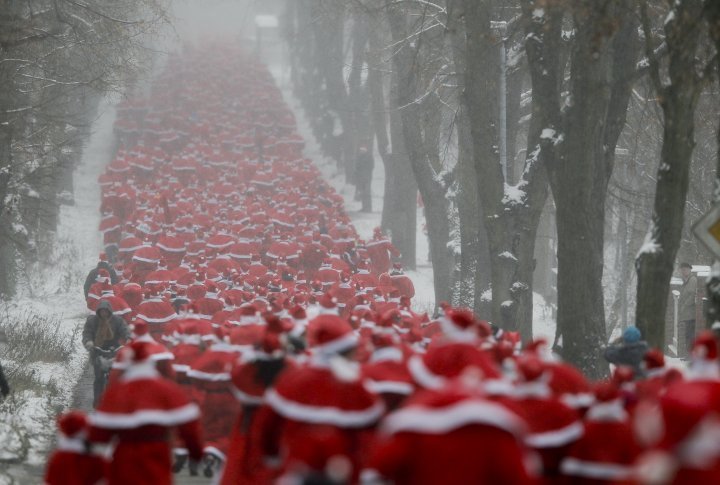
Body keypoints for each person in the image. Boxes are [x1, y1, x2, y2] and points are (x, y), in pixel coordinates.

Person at [82, 300, 129, 406]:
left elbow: (125, 330)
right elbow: (87, 333)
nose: (104, 314)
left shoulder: (117, 321)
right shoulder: (92, 321)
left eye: (106, 311)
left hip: (114, 351)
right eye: (102, 311)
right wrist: (89, 342)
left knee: (118, 376)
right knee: (98, 377)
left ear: (109, 311)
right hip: (98, 350)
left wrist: (128, 339)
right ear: (98, 312)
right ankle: (97, 401)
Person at [678, 262, 697, 357]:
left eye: (685, 269)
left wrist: (684, 305)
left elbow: (692, 295)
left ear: (689, 270)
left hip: (691, 313)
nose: (683, 271)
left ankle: (691, 355)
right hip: (686, 314)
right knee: (687, 334)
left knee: (690, 335)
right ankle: (689, 355)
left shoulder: (692, 280)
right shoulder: (685, 281)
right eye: (682, 269)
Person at [354, 145, 374, 213]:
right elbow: (357, 167)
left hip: (367, 178)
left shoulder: (369, 157)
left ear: (365, 150)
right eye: (360, 150)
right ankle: (364, 207)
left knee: (367, 193)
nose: (361, 151)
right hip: (361, 177)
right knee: (363, 193)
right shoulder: (359, 157)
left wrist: (365, 173)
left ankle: (368, 208)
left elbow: (371, 167)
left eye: (362, 150)